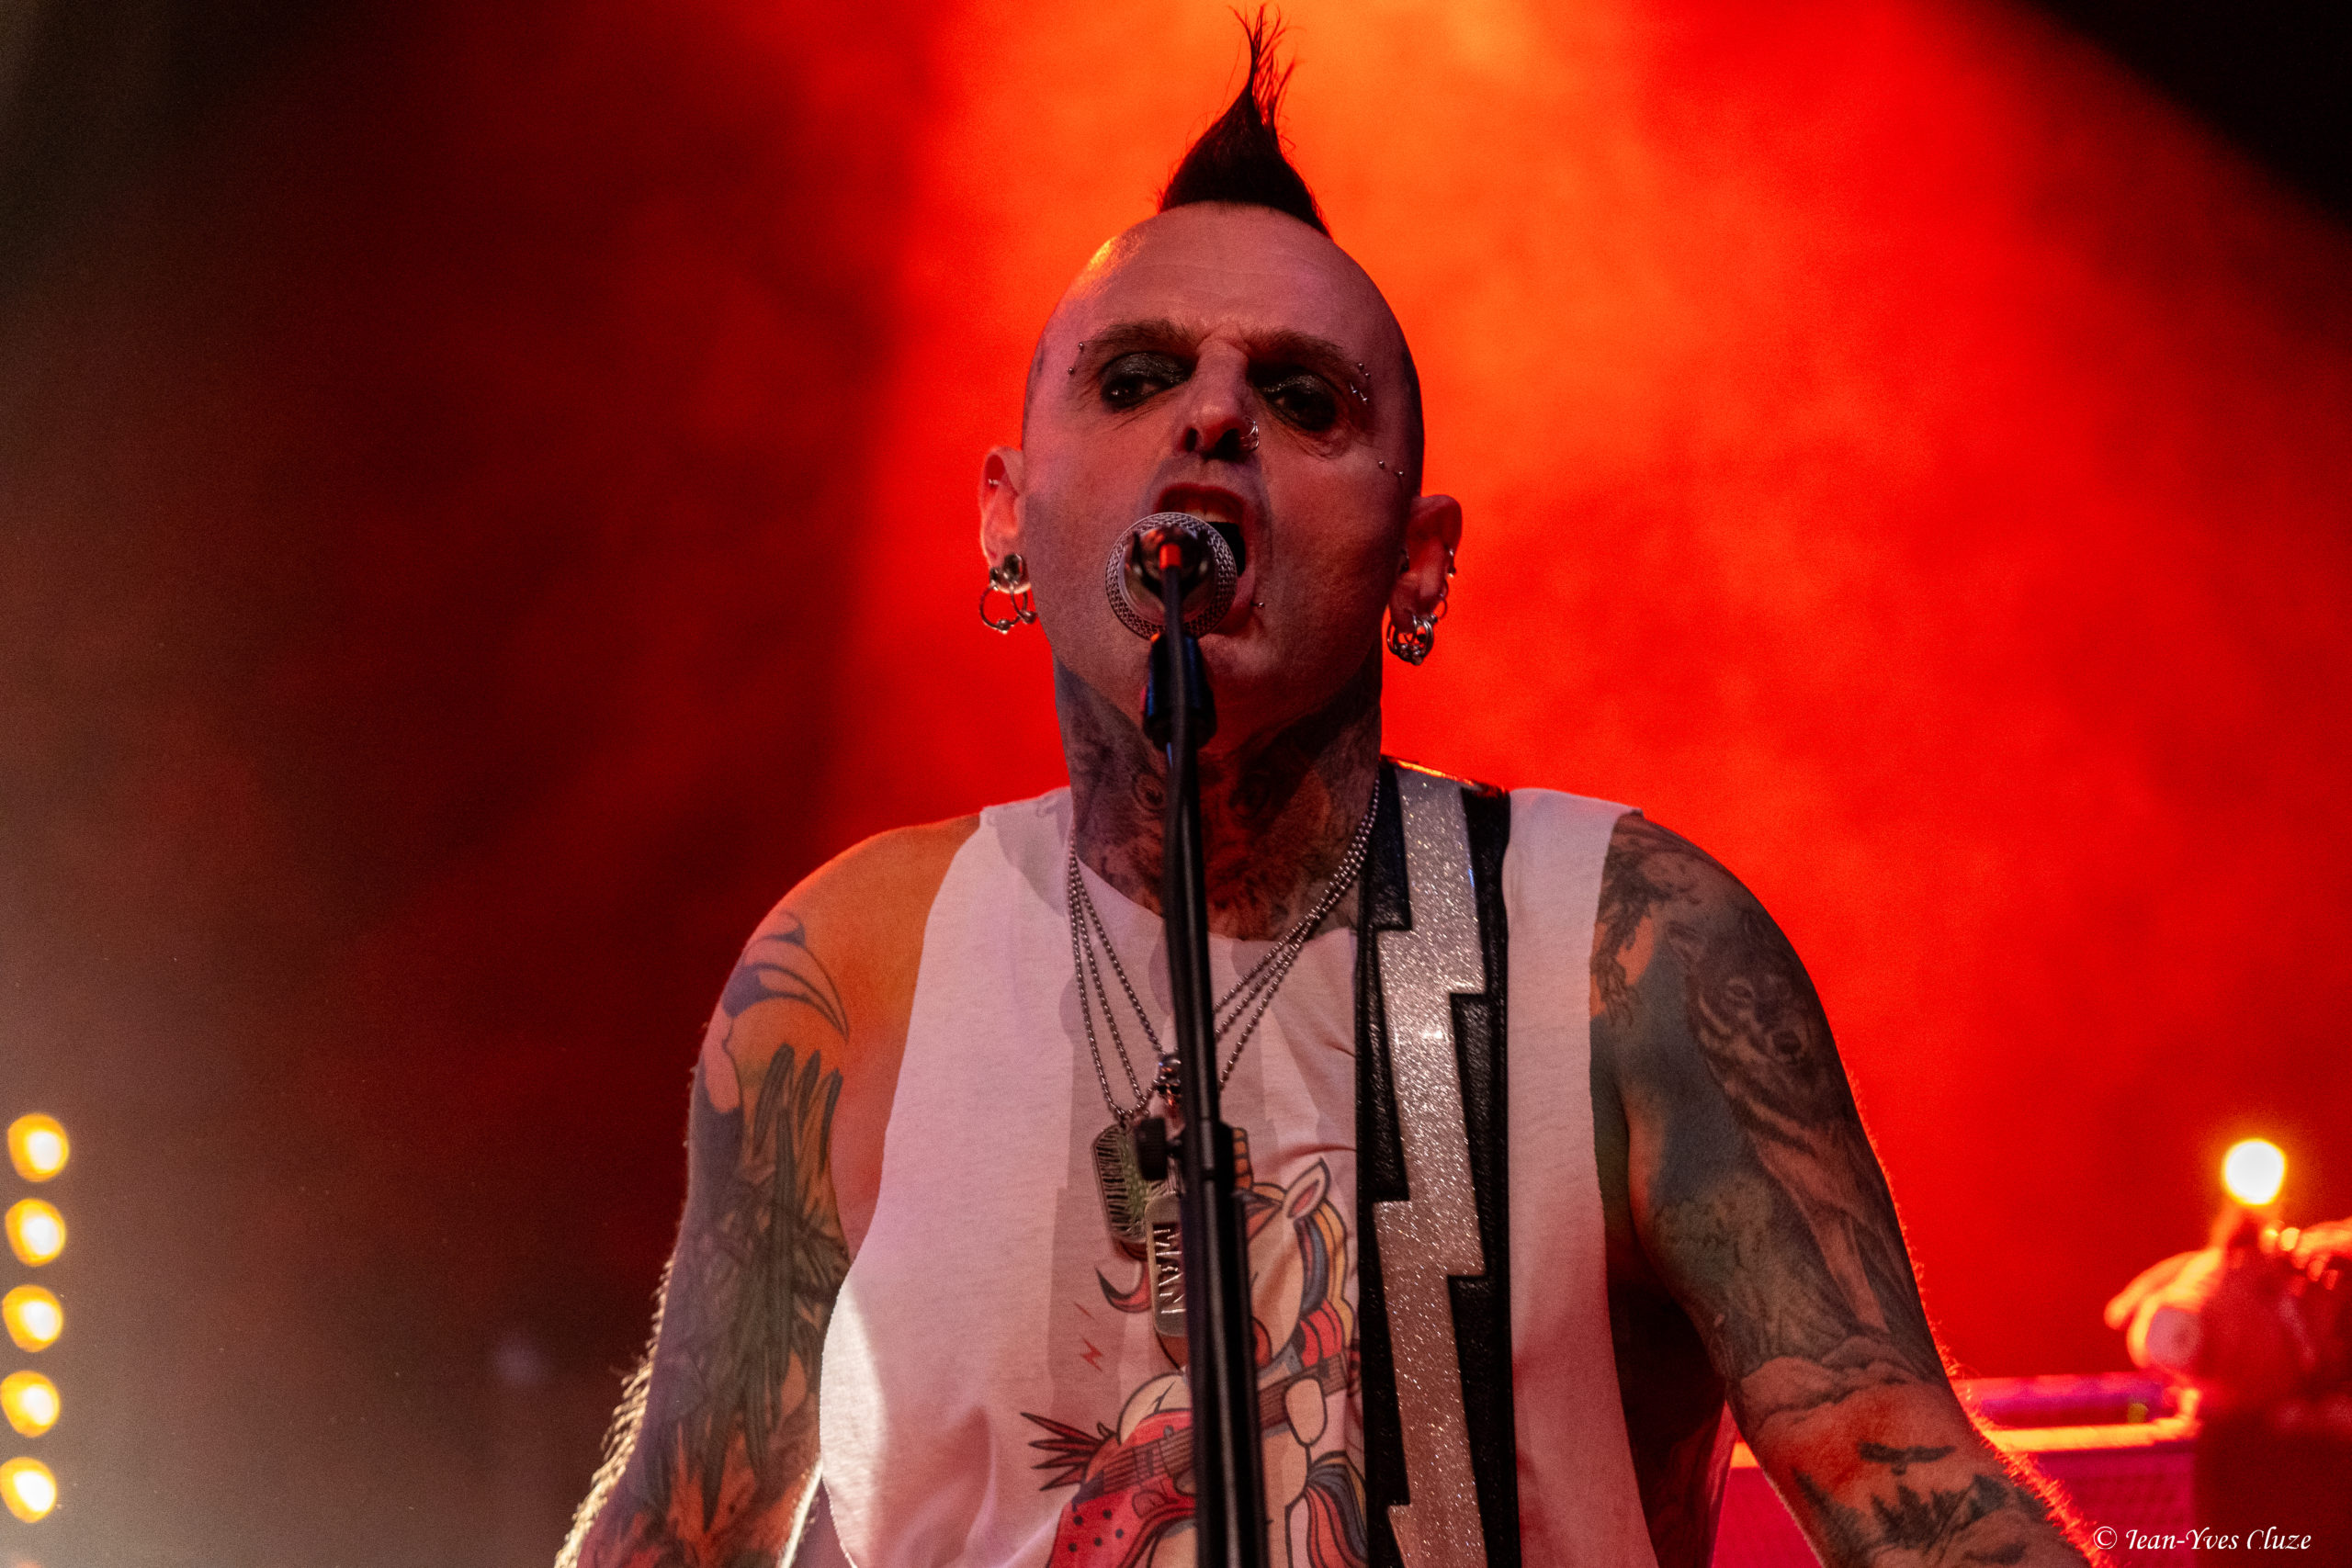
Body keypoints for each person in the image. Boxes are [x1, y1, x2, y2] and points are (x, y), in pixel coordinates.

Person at [560, 26, 2097, 1568]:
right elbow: (679, 1528)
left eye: (1301, 399)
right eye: (1137, 378)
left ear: (1419, 564)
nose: (1212, 418)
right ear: (1007, 518)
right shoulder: (854, 966)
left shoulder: (1619, 950)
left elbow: (1913, 1495)